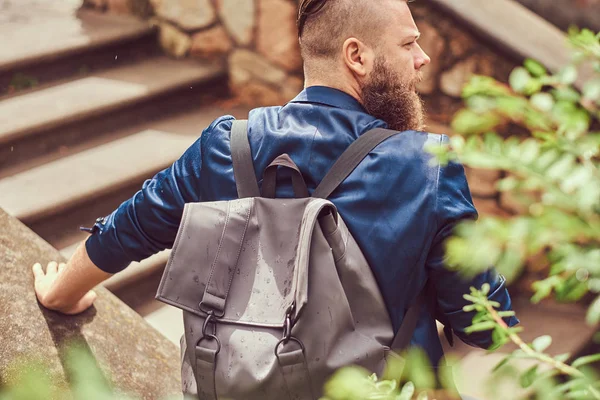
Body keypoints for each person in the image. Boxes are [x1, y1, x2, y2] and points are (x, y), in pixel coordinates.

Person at [32, 0, 518, 372]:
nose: (424, 57)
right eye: (408, 43)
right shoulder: (426, 167)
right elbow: (484, 323)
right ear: (357, 56)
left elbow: (130, 230)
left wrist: (60, 296)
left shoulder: (227, 146)